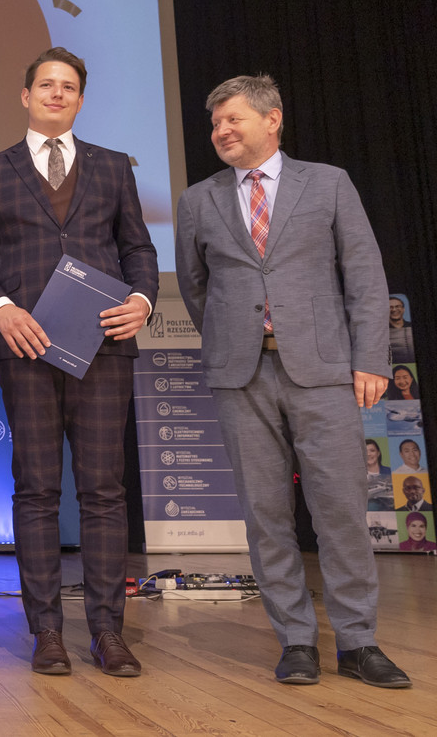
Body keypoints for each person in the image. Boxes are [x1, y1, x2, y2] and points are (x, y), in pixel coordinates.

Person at [175, 74, 410, 689]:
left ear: (272, 118)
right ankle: (297, 641)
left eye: (233, 119)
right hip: (241, 375)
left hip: (324, 372)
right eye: (215, 124)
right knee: (265, 513)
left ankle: (358, 642)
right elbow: (196, 288)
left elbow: (365, 275)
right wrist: (234, 337)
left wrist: (370, 358)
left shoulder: (328, 183)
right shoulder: (198, 200)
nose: (221, 131)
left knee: (340, 511)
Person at [0, 47, 158, 679]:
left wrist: (143, 300)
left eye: (69, 86)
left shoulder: (113, 166)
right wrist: (1, 310)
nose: (57, 94)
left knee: (103, 491)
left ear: (80, 99)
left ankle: (107, 631)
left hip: (103, 347)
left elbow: (139, 249)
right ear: (26, 95)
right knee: (37, 490)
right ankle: (46, 631)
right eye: (46, 84)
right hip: (27, 347)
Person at [388, 296, 414, 364]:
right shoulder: (382, 331)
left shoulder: (412, 326)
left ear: (403, 309)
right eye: (390, 307)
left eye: (397, 306)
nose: (394, 310)